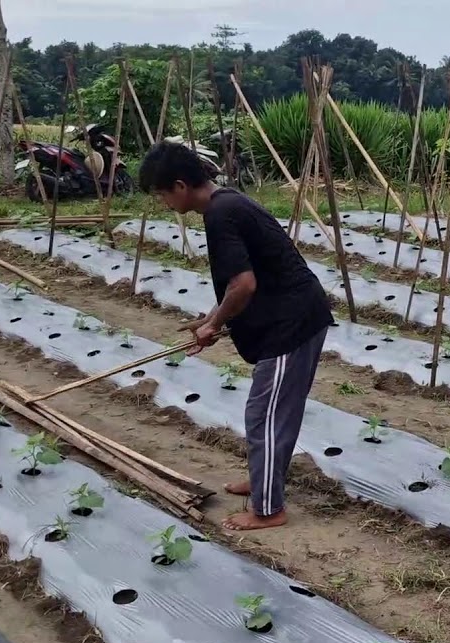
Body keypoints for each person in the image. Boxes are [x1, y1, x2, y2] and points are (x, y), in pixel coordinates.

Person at [139, 141, 332, 531]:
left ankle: (268, 509)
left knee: (264, 415)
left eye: (161, 194)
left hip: (291, 325)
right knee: (274, 412)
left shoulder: (220, 214)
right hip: (292, 316)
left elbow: (243, 285)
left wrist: (213, 325)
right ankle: (264, 481)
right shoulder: (227, 202)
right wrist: (211, 319)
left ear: (180, 186)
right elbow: (244, 282)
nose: (163, 203)